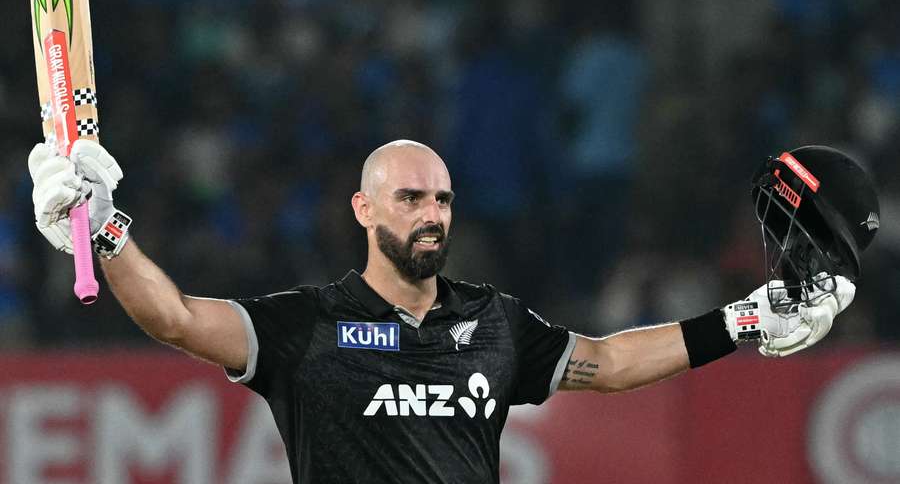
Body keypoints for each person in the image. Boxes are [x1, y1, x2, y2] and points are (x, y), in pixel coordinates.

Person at [27, 138, 871, 484]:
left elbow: (610, 364)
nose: (431, 213)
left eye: (442, 199)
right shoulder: (304, 327)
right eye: (409, 198)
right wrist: (102, 230)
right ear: (363, 209)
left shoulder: (495, 323)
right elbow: (173, 316)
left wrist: (747, 320)